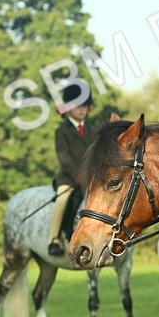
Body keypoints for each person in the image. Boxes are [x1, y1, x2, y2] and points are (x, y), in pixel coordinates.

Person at [48, 84, 97, 257]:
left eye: (85, 106)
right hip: (69, 178)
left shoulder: (92, 130)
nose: (83, 110)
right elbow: (65, 158)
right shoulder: (62, 131)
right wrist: (77, 175)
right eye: (78, 106)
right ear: (68, 108)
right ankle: (53, 240)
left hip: (92, 178)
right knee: (62, 199)